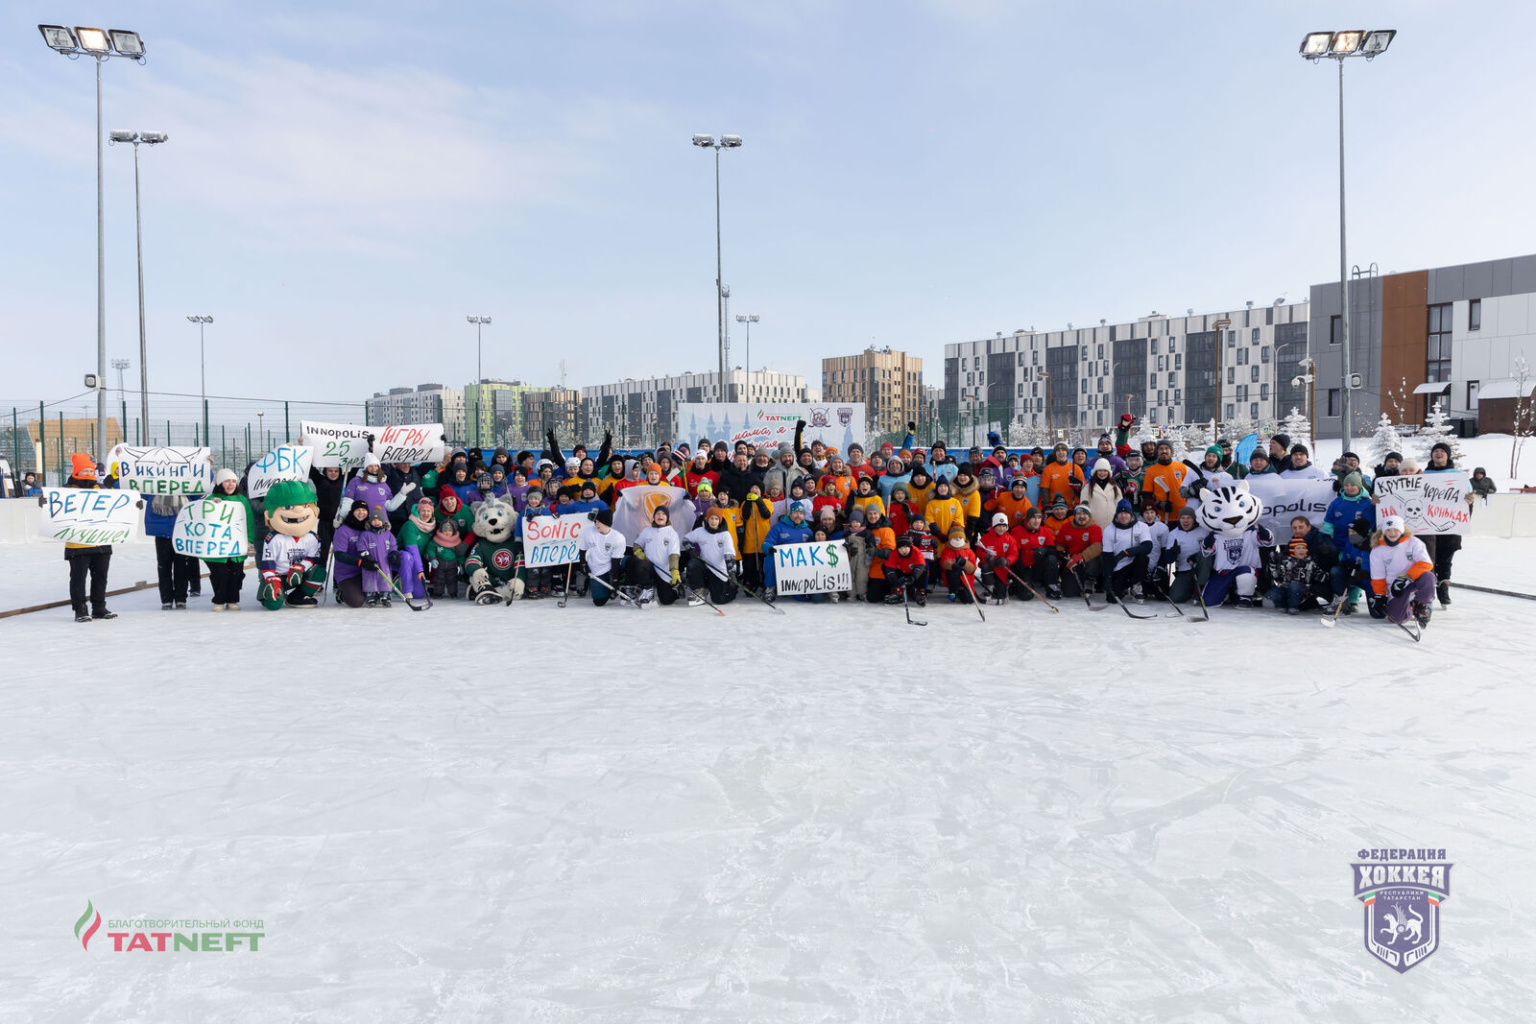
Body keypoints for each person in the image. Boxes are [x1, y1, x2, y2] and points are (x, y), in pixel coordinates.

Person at [56, 453, 121, 622]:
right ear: (77, 471)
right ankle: (80, 609)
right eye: (84, 471)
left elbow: (117, 505)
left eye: (89, 470)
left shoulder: (101, 489)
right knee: (78, 578)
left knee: (100, 577)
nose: (87, 473)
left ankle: (99, 607)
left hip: (101, 540)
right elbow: (54, 508)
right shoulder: (66, 490)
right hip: (77, 543)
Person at [1369, 515, 1436, 628]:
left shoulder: (1414, 543)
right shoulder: (1377, 550)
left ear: (1402, 530)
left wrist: (1405, 578)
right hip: (1395, 588)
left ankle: (1421, 605)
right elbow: (1378, 576)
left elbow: (1426, 564)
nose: (1392, 533)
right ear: (1384, 531)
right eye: (1388, 530)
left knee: (1428, 577)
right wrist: (1380, 595)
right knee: (1397, 618)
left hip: (1412, 580)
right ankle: (1408, 608)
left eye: (1396, 530)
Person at [1422, 441, 1467, 606]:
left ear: (1448, 455)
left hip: (1450, 526)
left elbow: (1467, 498)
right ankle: (1428, 591)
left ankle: (1443, 589)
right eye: (1436, 451)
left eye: (1442, 451)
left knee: (1446, 559)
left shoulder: (1458, 475)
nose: (1438, 453)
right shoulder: (1423, 475)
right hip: (1428, 526)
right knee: (1428, 560)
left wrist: (1468, 502)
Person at [206, 467, 258, 611]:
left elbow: (248, 521)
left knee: (237, 573)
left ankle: (232, 599)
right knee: (220, 573)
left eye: (233, 481)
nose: (230, 484)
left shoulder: (241, 499)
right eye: (226, 481)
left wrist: (250, 540)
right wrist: (211, 502)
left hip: (237, 545)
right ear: (219, 483)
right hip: (217, 547)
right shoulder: (212, 498)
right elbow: (203, 509)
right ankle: (219, 600)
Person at [1322, 471, 1374, 614]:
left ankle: (1353, 600)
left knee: (1356, 570)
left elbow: (1369, 525)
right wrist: (1327, 540)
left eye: (1353, 485)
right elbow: (1328, 523)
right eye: (1347, 485)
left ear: (1359, 486)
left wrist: (1362, 541)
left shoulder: (1367, 503)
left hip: (1357, 545)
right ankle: (1341, 599)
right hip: (1339, 544)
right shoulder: (1337, 502)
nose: (1350, 488)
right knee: (1341, 571)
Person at [1265, 515, 1332, 614]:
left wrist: (1329, 575)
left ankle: (1294, 606)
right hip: (1286, 587)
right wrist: (1273, 561)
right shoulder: (1286, 559)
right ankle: (1284, 604)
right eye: (1294, 528)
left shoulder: (1318, 543)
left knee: (1295, 586)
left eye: (1301, 527)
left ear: (1308, 527)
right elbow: (1276, 574)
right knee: (1271, 596)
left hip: (1305, 589)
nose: (1297, 530)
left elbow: (1320, 574)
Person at [144, 492, 197, 610]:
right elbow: (139, 489)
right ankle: (166, 598)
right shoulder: (154, 484)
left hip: (182, 529)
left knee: (182, 566)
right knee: (164, 566)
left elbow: (200, 492)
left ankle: (181, 598)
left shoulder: (187, 484)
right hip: (161, 530)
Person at [683, 506, 739, 605]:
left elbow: (729, 555)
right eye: (711, 518)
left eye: (716, 519)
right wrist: (692, 550)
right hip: (705, 565)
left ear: (720, 520)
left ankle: (731, 590)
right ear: (707, 519)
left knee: (719, 600)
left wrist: (732, 574)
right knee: (693, 564)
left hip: (718, 570)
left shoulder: (725, 535)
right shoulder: (700, 531)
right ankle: (699, 591)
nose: (713, 521)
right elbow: (685, 539)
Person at [1100, 500, 1152, 603]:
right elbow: (1107, 557)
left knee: (1143, 557)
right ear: (1117, 514)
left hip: (1134, 565)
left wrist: (1126, 553)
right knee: (1111, 599)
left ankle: (1136, 585)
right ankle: (1122, 588)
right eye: (1121, 513)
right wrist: (1108, 579)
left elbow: (1148, 547)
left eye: (1126, 513)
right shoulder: (1109, 530)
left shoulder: (1141, 526)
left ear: (1131, 514)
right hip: (1118, 568)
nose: (1123, 516)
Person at [631, 505, 683, 605]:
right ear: (654, 517)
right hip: (649, 566)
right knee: (639, 565)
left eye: (663, 514)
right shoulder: (647, 530)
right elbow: (637, 544)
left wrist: (675, 571)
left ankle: (676, 590)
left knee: (666, 600)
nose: (660, 515)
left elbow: (674, 555)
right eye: (658, 513)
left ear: (667, 517)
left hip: (664, 570)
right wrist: (638, 552)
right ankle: (647, 590)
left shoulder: (672, 533)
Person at [761, 501, 813, 599]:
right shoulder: (778, 527)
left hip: (799, 561)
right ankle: (770, 589)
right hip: (782, 559)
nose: (798, 516)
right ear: (790, 513)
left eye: (801, 514)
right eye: (796, 513)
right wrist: (770, 548)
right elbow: (766, 543)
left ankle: (803, 587)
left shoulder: (808, 531)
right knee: (770, 558)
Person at [580, 509, 629, 606]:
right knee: (599, 601)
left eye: (599, 522)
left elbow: (615, 561)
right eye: (595, 521)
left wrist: (615, 580)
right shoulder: (589, 532)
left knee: (630, 561)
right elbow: (582, 550)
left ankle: (623, 584)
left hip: (611, 566)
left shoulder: (618, 538)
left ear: (606, 523)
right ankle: (607, 590)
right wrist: (583, 564)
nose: (596, 524)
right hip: (597, 569)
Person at [1160, 507, 1209, 604]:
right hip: (1185, 569)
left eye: (1188, 518)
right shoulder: (1174, 534)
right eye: (1183, 518)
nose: (1185, 521)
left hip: (1201, 567)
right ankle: (1190, 589)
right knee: (1175, 597)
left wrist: (1197, 555)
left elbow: (1211, 549)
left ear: (1194, 519)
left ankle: (1200, 587)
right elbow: (1167, 559)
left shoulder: (1203, 531)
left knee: (1205, 556)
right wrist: (1173, 553)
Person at [331, 500, 373, 608]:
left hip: (365, 571)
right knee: (357, 602)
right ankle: (342, 593)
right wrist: (360, 562)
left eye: (364, 510)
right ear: (352, 512)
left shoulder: (369, 528)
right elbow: (339, 555)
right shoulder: (344, 530)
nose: (361, 513)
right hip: (347, 574)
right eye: (358, 510)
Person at [1012, 506, 1061, 599]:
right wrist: (1022, 575)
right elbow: (1015, 555)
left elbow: (1053, 549)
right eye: (1034, 518)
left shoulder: (1045, 531)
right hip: (1024, 568)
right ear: (1027, 519)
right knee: (1026, 596)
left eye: (1039, 518)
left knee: (1051, 558)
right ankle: (1019, 585)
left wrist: (1044, 550)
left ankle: (1051, 585)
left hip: (1038, 567)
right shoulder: (1017, 531)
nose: (1037, 521)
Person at [1055, 504, 1103, 598]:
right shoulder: (1066, 527)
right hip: (1072, 562)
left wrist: (1080, 557)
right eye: (1078, 514)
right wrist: (1063, 557)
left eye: (1084, 514)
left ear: (1089, 516)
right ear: (1074, 515)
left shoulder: (1095, 528)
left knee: (1096, 559)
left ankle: (1089, 580)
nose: (1081, 516)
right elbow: (1060, 545)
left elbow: (1096, 547)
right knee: (1069, 593)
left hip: (1086, 561)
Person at [975, 513, 1019, 602]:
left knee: (1000, 594)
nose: (1001, 528)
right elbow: (979, 551)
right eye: (999, 526)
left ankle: (1003, 586)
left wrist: (1006, 561)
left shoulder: (1010, 539)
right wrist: (988, 557)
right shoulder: (986, 538)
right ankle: (988, 588)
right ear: (994, 526)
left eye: (1004, 526)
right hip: (990, 566)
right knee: (985, 566)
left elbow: (1014, 554)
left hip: (1002, 569)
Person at [1143, 441, 1191, 523]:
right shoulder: (1151, 471)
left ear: (1171, 451)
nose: (1164, 451)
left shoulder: (1181, 467)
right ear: (1157, 452)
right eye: (1161, 449)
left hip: (1182, 516)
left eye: (1166, 448)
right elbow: (1147, 496)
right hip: (1161, 517)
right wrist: (1159, 504)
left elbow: (1188, 489)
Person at [881, 533, 929, 606]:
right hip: (901, 574)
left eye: (906, 547)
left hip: (913, 574)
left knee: (923, 570)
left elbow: (920, 565)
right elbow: (889, 568)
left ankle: (919, 591)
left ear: (910, 546)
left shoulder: (916, 552)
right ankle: (897, 590)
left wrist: (912, 578)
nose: (904, 550)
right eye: (900, 548)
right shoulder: (894, 553)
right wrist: (895, 580)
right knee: (885, 566)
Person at [938, 526, 979, 603]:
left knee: (968, 600)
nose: (957, 539)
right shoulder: (947, 550)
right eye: (955, 537)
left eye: (960, 537)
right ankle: (953, 591)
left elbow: (972, 569)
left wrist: (965, 563)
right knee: (953, 571)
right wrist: (954, 564)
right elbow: (944, 563)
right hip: (953, 577)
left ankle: (961, 591)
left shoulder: (969, 551)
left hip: (965, 578)